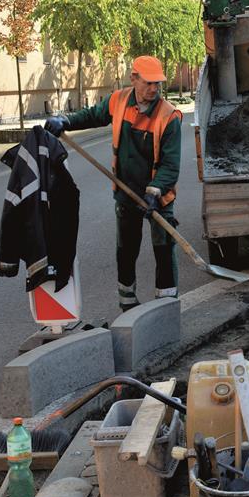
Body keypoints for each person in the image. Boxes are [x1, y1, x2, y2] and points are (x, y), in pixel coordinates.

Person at [45, 55, 182, 311]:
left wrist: (154, 192)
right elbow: (93, 115)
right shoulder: (119, 100)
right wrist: (66, 121)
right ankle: (127, 300)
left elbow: (170, 164)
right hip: (126, 192)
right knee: (126, 248)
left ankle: (167, 302)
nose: (154, 89)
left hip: (157, 196)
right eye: (148, 83)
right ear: (134, 79)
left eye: (158, 84)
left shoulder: (169, 116)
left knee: (163, 247)